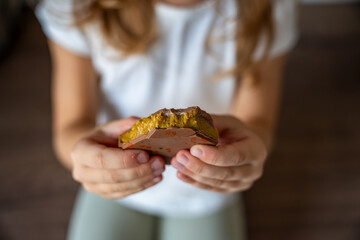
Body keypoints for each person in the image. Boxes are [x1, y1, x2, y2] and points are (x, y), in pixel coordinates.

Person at [36, 0, 297, 239]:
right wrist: (85, 157)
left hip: (208, 190)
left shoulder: (266, 8)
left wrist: (250, 153)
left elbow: (258, 123)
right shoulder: (77, 7)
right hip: (115, 182)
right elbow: (71, 128)